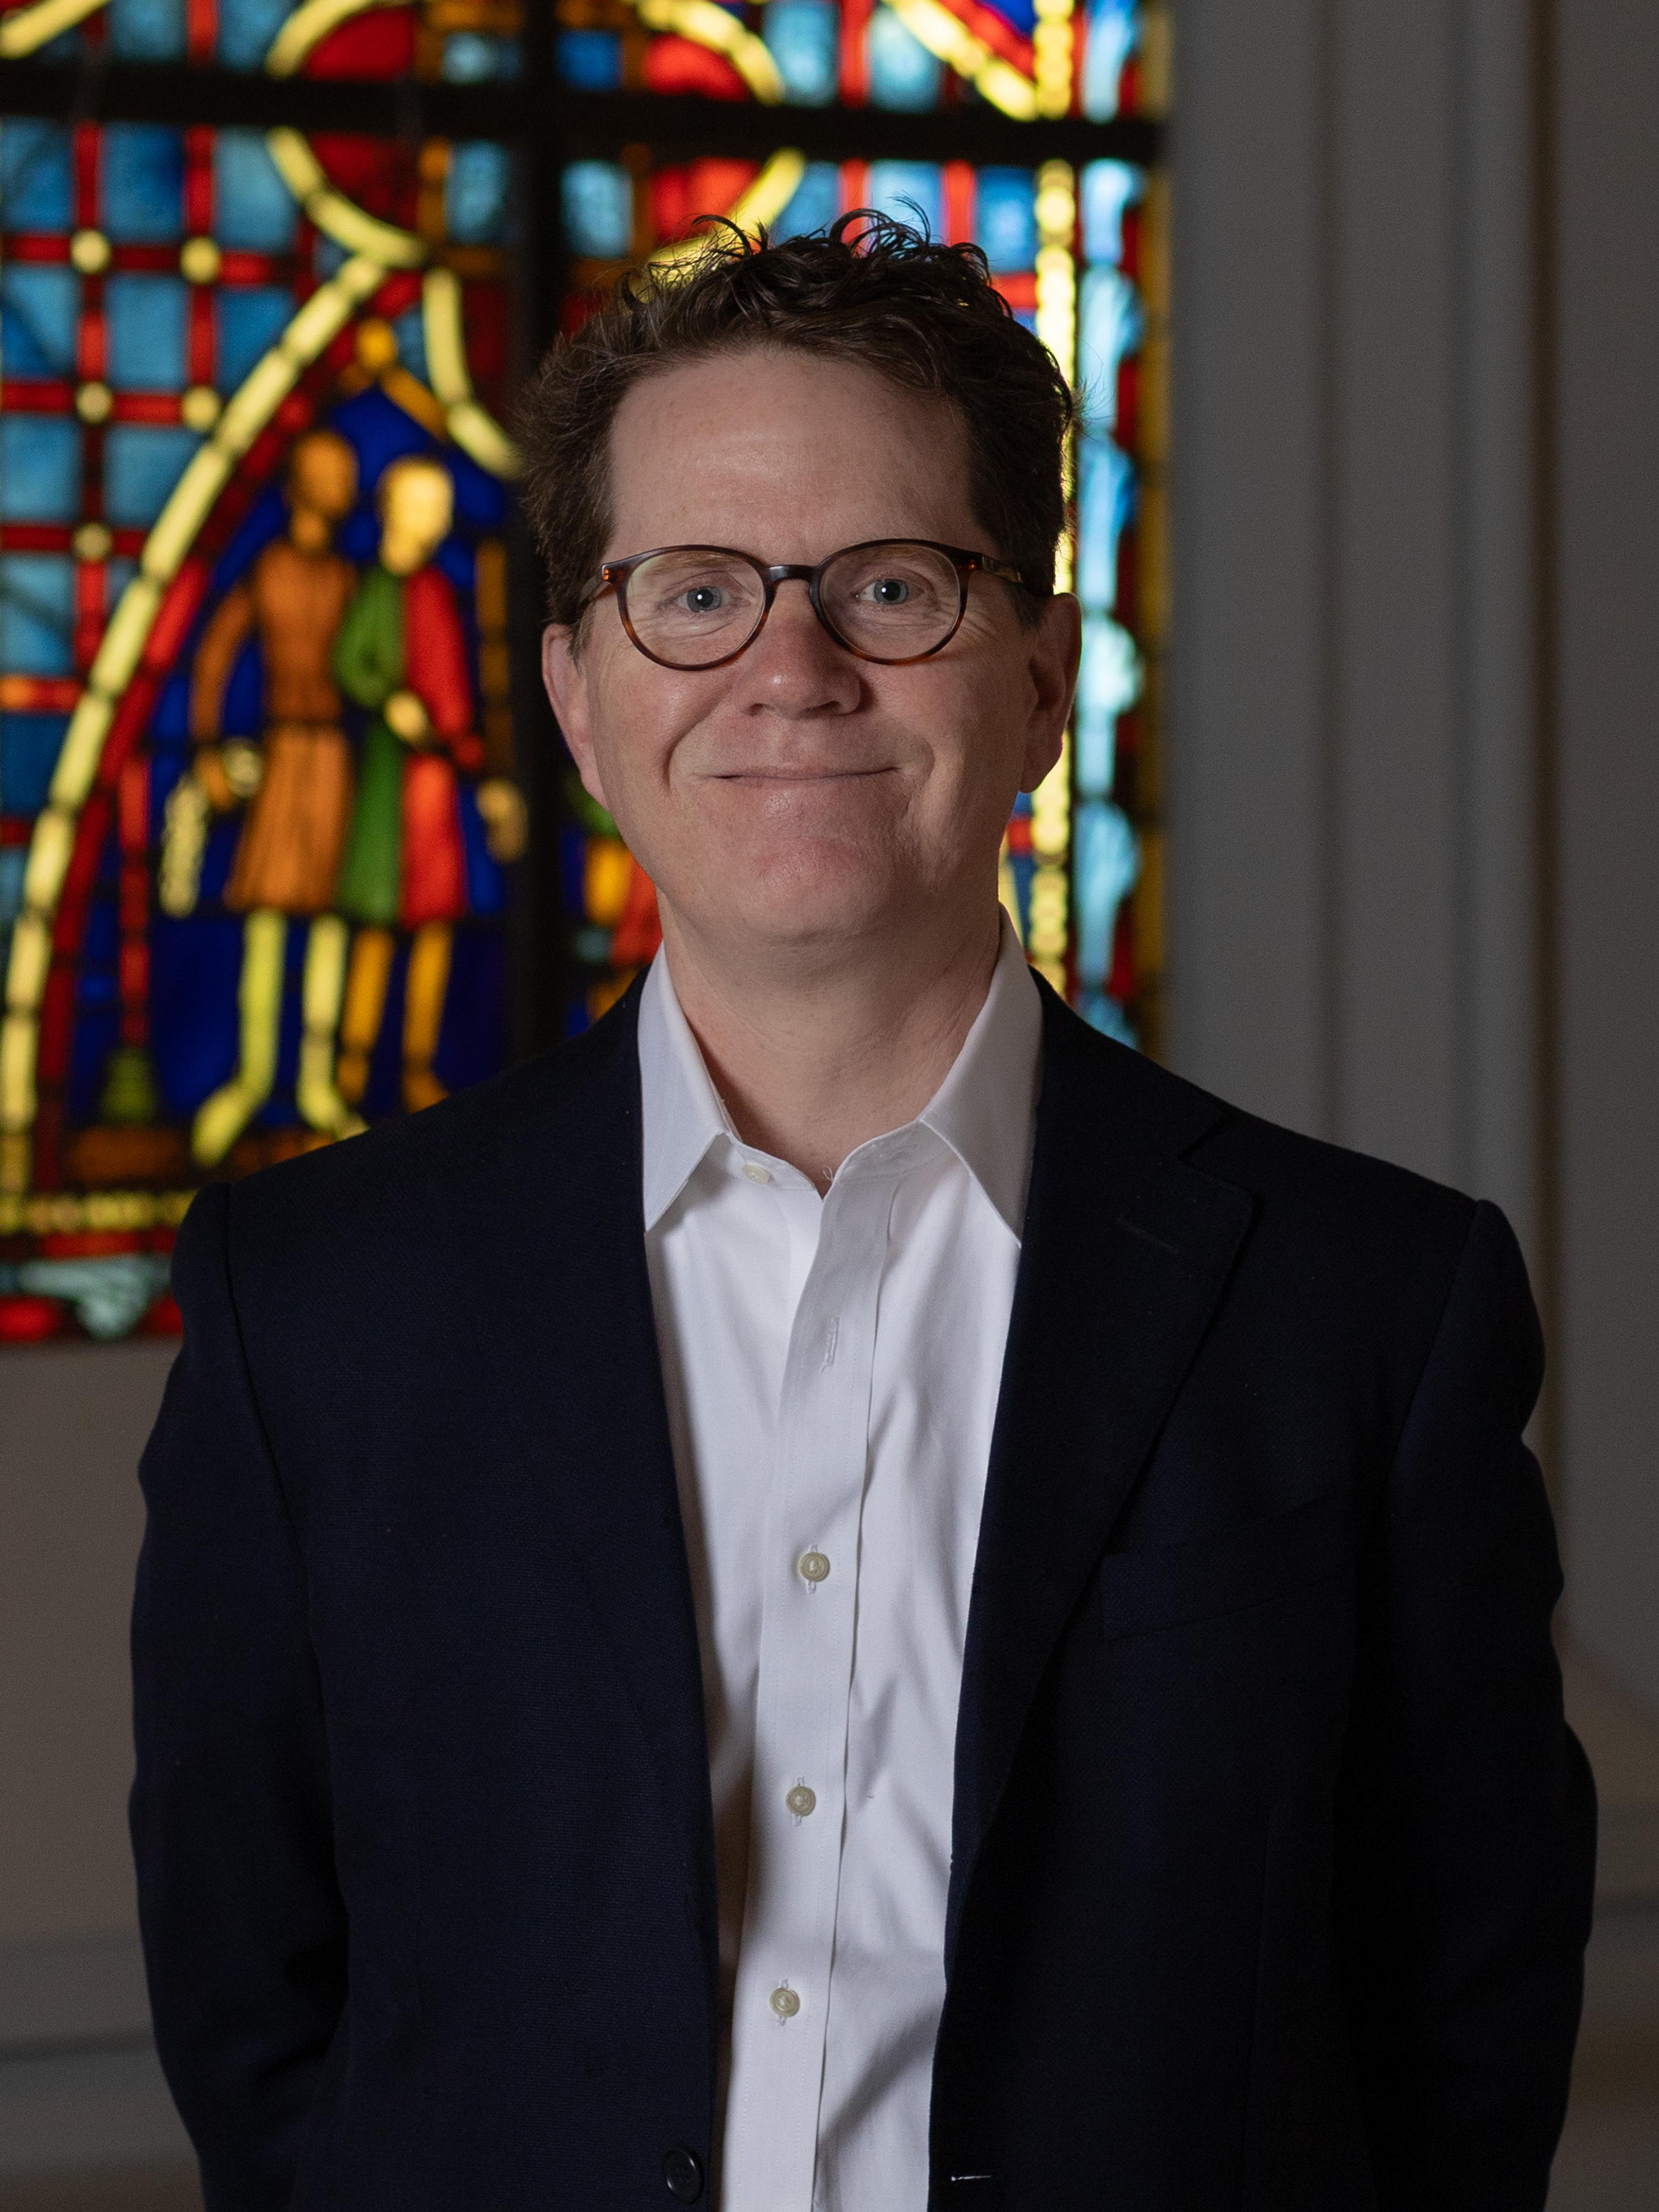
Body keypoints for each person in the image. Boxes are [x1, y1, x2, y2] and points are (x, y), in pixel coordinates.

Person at [131, 220, 1595, 2212]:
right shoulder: (317, 1304)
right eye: (695, 592)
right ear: (576, 693)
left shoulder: (1371, 1306)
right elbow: (256, 1997)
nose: (789, 670)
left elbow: (1465, 1999)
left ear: (1046, 678)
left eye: (891, 586)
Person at [177, 428, 363, 1166]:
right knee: (264, 924)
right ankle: (251, 1080)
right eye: (329, 475)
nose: (340, 490)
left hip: (334, 760)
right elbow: (215, 655)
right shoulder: (269, 570)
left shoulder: (353, 580)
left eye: (345, 477)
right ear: (298, 487)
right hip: (286, 753)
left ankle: (319, 1085)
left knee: (328, 928)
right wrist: (206, 750)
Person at [331, 452, 524, 1113]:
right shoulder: (378, 587)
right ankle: (351, 1072)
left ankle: (419, 1065)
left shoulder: (440, 590)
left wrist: (479, 765)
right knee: (378, 923)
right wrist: (388, 700)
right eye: (426, 506)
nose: (438, 520)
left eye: (441, 508)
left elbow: (458, 695)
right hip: (391, 785)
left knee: (437, 922)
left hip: (441, 783)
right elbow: (350, 660)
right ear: (394, 511)